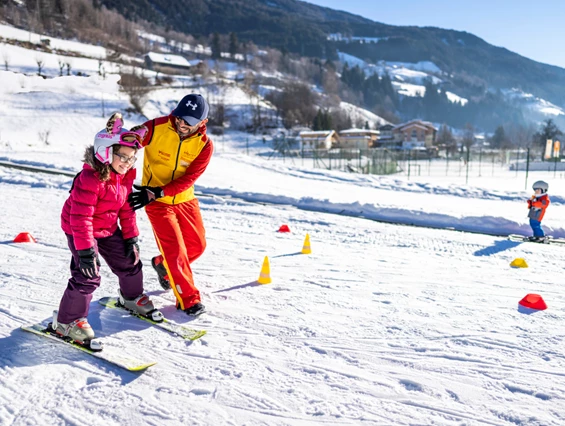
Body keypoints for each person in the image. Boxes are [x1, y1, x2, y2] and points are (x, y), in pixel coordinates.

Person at [53, 113, 163, 350]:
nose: (127, 162)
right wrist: (84, 252)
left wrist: (131, 236)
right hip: (80, 229)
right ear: (105, 151)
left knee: (130, 260)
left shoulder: (125, 176)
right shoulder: (90, 178)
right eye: (122, 156)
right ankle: (66, 322)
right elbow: (80, 217)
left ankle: (131, 298)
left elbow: (126, 208)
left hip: (106, 227)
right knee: (88, 274)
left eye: (132, 158)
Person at [128, 94, 213, 317]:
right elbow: (133, 139)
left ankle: (161, 264)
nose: (182, 124)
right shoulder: (157, 127)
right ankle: (188, 299)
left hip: (184, 199)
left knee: (197, 246)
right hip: (156, 202)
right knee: (175, 250)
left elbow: (190, 178)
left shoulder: (204, 145)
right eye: (179, 118)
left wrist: (162, 190)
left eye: (189, 122)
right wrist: (126, 138)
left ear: (202, 123)